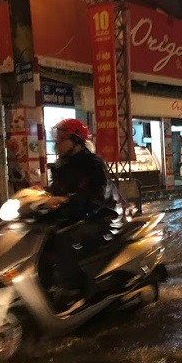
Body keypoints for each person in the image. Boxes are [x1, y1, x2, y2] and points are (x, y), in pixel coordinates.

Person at [44, 119, 119, 303]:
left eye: (61, 139)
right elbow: (56, 192)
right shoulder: (62, 166)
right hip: (75, 218)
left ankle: (78, 289)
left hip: (101, 220)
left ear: (76, 141)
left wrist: (66, 201)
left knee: (64, 238)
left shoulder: (93, 164)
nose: (57, 144)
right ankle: (48, 285)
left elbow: (93, 198)